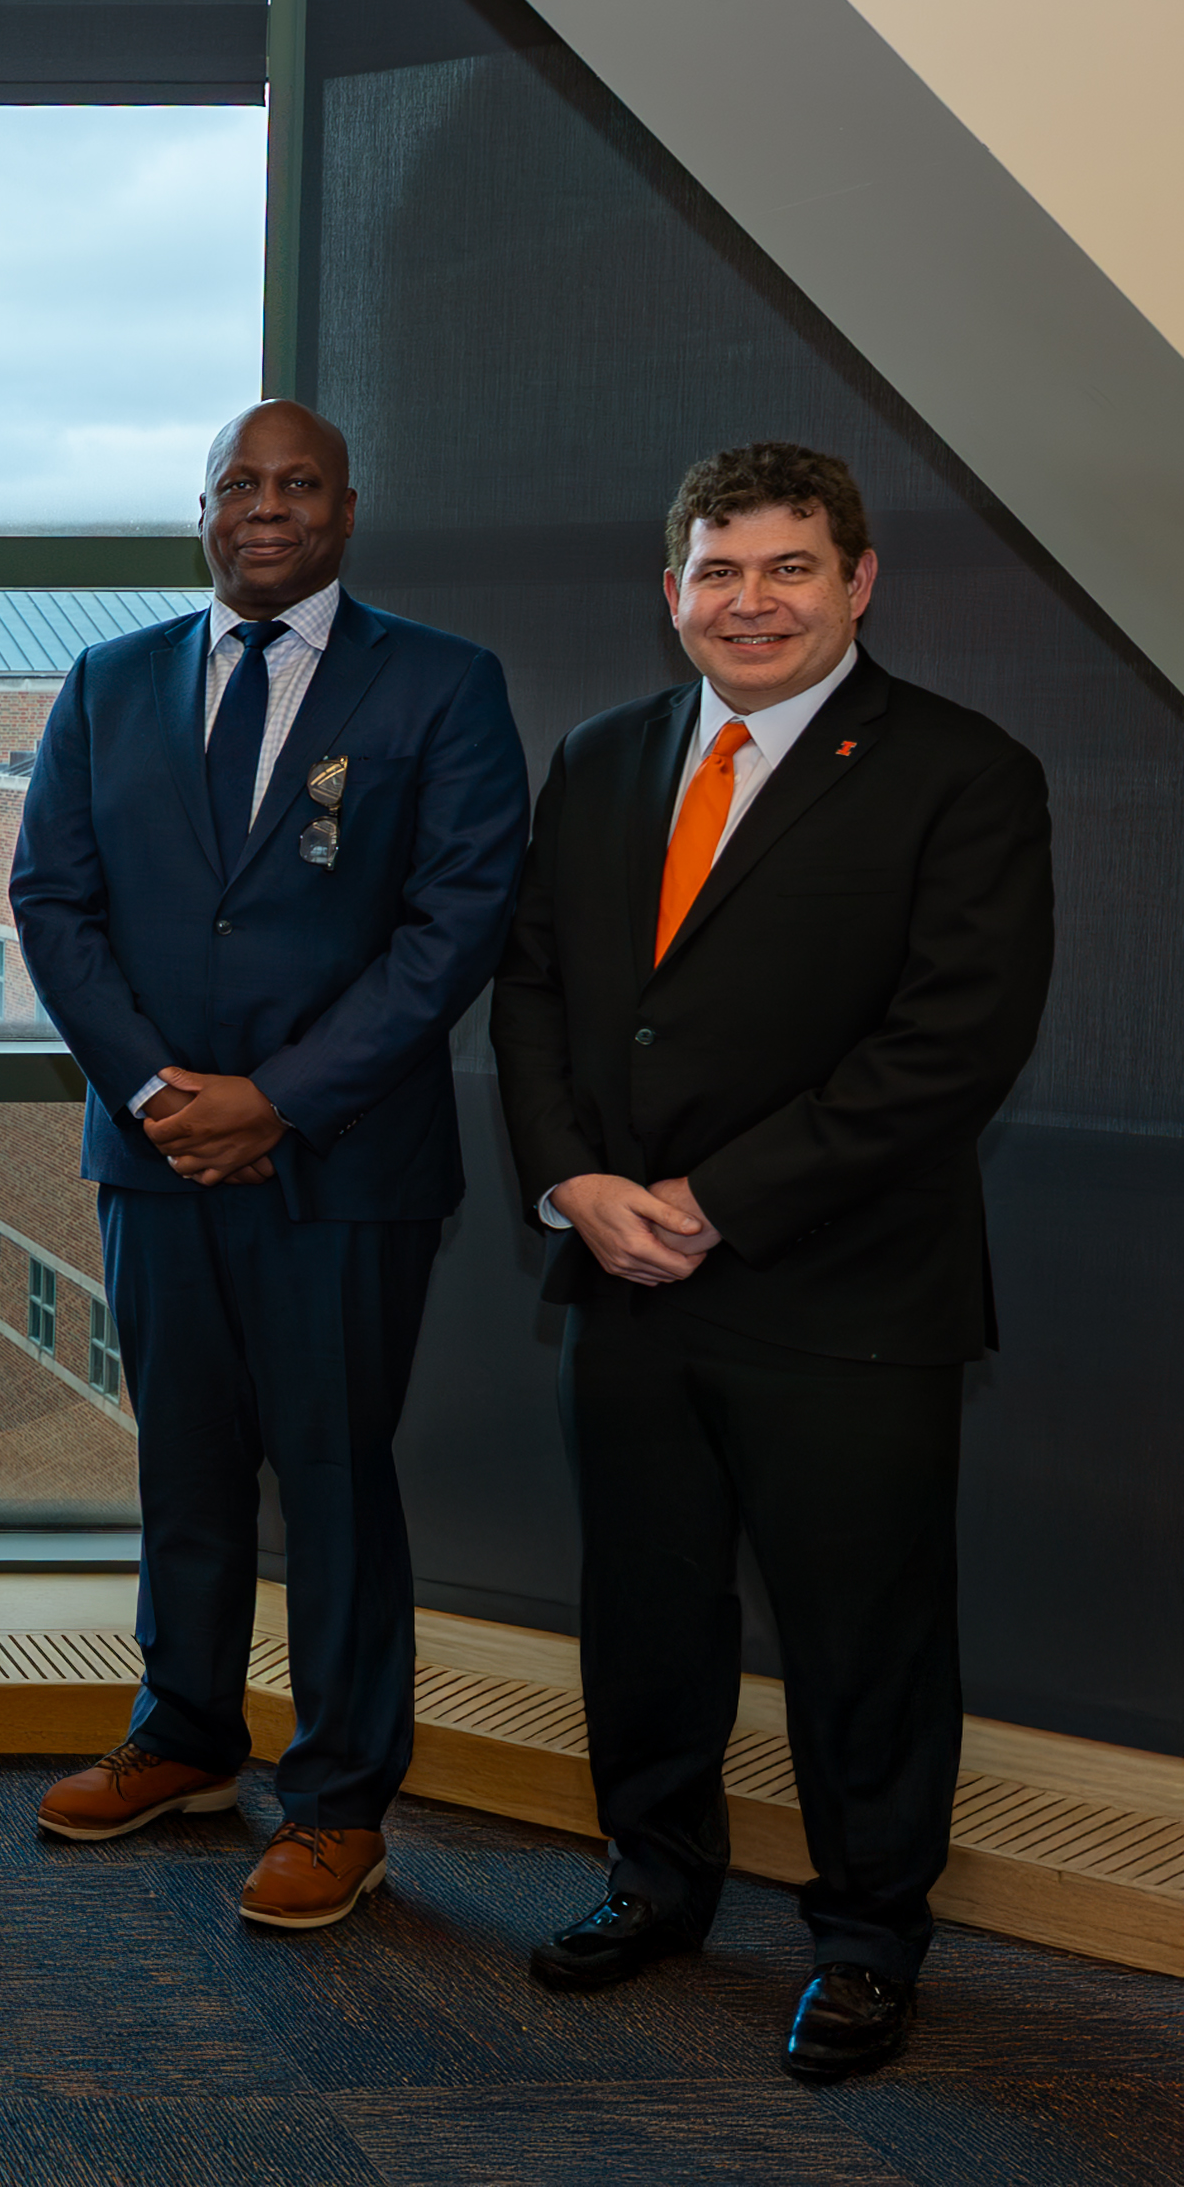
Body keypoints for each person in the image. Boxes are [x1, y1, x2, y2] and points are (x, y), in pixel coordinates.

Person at [492, 444, 1050, 2083]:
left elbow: (949, 1047)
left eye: (786, 568)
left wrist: (715, 1197)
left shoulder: (961, 770)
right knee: (643, 1616)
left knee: (863, 1641)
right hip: (622, 1276)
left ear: (858, 581)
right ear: (672, 593)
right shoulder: (601, 758)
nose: (750, 602)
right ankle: (655, 1883)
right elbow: (530, 991)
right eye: (717, 572)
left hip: (846, 1296)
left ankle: (870, 1939)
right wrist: (574, 1181)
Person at [8, 400, 526, 1931]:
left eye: (295, 484)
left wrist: (277, 1100)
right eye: (238, 483)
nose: (264, 507)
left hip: (344, 1167)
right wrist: (168, 1091)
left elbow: (454, 930)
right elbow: (49, 903)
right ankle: (182, 1737)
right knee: (179, 1465)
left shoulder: (439, 685)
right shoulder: (106, 685)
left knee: (334, 1483)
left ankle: (338, 1799)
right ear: (201, 509)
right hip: (155, 1153)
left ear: (345, 512)